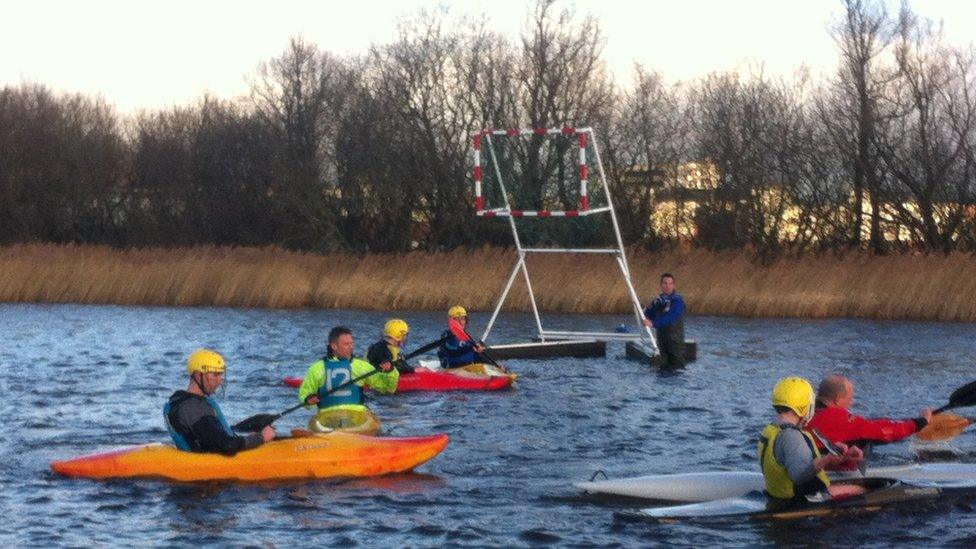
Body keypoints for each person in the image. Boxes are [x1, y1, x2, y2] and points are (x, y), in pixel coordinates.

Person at [758, 377, 866, 501]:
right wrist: (827, 459)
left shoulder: (771, 429)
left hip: (778, 496)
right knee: (862, 490)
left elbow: (790, 460)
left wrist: (839, 456)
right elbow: (799, 475)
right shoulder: (792, 436)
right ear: (803, 405)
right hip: (802, 499)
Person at [164, 349, 275, 455]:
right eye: (215, 374)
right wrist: (261, 438)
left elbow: (213, 435)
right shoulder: (193, 407)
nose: (220, 380)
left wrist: (249, 435)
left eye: (221, 374)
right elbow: (226, 446)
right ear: (198, 375)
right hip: (208, 463)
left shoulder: (179, 401)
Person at [298, 326, 399, 429]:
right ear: (334, 346)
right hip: (327, 414)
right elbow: (304, 393)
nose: (351, 347)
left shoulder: (361, 366)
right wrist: (308, 399)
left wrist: (390, 371)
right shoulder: (317, 369)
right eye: (346, 344)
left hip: (357, 413)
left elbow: (388, 388)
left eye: (351, 343)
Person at [808, 374, 932, 452]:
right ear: (837, 399)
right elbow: (883, 431)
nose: (851, 404)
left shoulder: (804, 414)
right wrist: (920, 422)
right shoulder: (840, 419)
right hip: (836, 475)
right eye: (850, 398)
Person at [642, 272, 686, 368]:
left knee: (676, 370)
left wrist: (653, 323)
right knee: (662, 371)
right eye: (665, 283)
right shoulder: (659, 301)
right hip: (662, 341)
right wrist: (644, 313)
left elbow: (670, 317)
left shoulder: (677, 301)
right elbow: (650, 314)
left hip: (674, 343)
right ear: (661, 285)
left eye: (670, 284)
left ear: (673, 285)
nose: (668, 286)